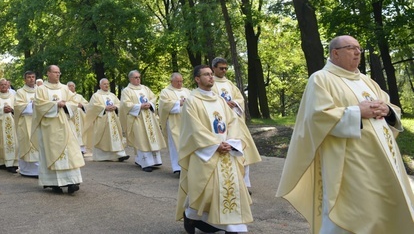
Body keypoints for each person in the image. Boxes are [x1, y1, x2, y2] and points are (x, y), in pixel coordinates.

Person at [277, 35, 414, 233]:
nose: (358, 52)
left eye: (359, 48)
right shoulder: (320, 79)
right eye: (351, 48)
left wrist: (387, 110)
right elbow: (317, 117)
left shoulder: (367, 81)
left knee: (385, 209)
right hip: (351, 162)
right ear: (335, 53)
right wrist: (357, 112)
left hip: (384, 160)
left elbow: (389, 105)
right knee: (359, 211)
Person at [176, 65, 253, 234]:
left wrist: (230, 142)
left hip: (226, 150)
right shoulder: (192, 101)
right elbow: (193, 128)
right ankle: (190, 216)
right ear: (197, 79)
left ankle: (233, 228)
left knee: (230, 189)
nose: (211, 77)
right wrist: (215, 144)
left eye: (211, 74)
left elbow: (233, 121)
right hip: (206, 151)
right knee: (205, 191)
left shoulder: (219, 100)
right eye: (206, 75)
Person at [31, 65, 84, 194]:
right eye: (55, 72)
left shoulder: (65, 88)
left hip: (65, 126)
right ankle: (53, 183)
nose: (57, 74)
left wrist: (66, 105)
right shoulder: (41, 89)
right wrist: (55, 105)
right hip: (49, 128)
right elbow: (38, 105)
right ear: (48, 73)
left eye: (59, 72)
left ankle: (72, 182)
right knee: (51, 153)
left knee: (70, 152)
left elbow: (74, 102)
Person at [211, 58, 261, 189]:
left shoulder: (230, 84)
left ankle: (245, 183)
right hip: (221, 124)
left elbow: (240, 98)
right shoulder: (210, 84)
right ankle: (229, 183)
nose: (224, 71)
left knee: (243, 150)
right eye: (221, 68)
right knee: (227, 152)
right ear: (214, 68)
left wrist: (235, 103)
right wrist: (223, 103)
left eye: (226, 68)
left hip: (237, 122)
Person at [120, 70, 165, 172]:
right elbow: (125, 104)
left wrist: (150, 104)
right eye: (136, 77)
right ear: (130, 79)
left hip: (148, 117)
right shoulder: (126, 91)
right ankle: (145, 162)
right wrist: (140, 106)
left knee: (151, 137)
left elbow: (153, 98)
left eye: (139, 77)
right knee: (141, 139)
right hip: (137, 118)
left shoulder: (145, 88)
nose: (138, 79)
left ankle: (155, 160)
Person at [84, 78, 128, 162]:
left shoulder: (112, 95)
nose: (106, 85)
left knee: (115, 136)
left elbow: (119, 104)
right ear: (100, 85)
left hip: (113, 119)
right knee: (103, 138)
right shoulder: (96, 95)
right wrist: (104, 108)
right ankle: (102, 156)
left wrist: (115, 107)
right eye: (104, 84)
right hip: (102, 120)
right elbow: (92, 107)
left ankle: (120, 154)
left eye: (107, 84)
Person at [157, 72, 193, 174]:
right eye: (177, 81)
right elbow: (164, 106)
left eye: (181, 81)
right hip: (174, 122)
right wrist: (178, 103)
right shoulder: (166, 92)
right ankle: (178, 168)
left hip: (187, 122)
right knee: (175, 144)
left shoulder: (187, 91)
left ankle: (189, 166)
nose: (180, 83)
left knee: (187, 143)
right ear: (171, 81)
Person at [14, 71, 39, 178]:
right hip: (25, 123)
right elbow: (17, 107)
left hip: (38, 122)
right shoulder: (20, 92)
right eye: (29, 77)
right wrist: (31, 105)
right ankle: (27, 170)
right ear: (25, 79)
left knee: (39, 145)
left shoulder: (40, 90)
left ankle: (40, 170)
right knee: (27, 145)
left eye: (33, 77)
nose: (31, 79)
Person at [67, 81, 88, 155]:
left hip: (80, 118)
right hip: (71, 117)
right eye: (69, 86)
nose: (71, 87)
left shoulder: (79, 96)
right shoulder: (65, 96)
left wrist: (82, 105)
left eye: (73, 86)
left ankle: (81, 149)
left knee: (80, 131)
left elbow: (86, 104)